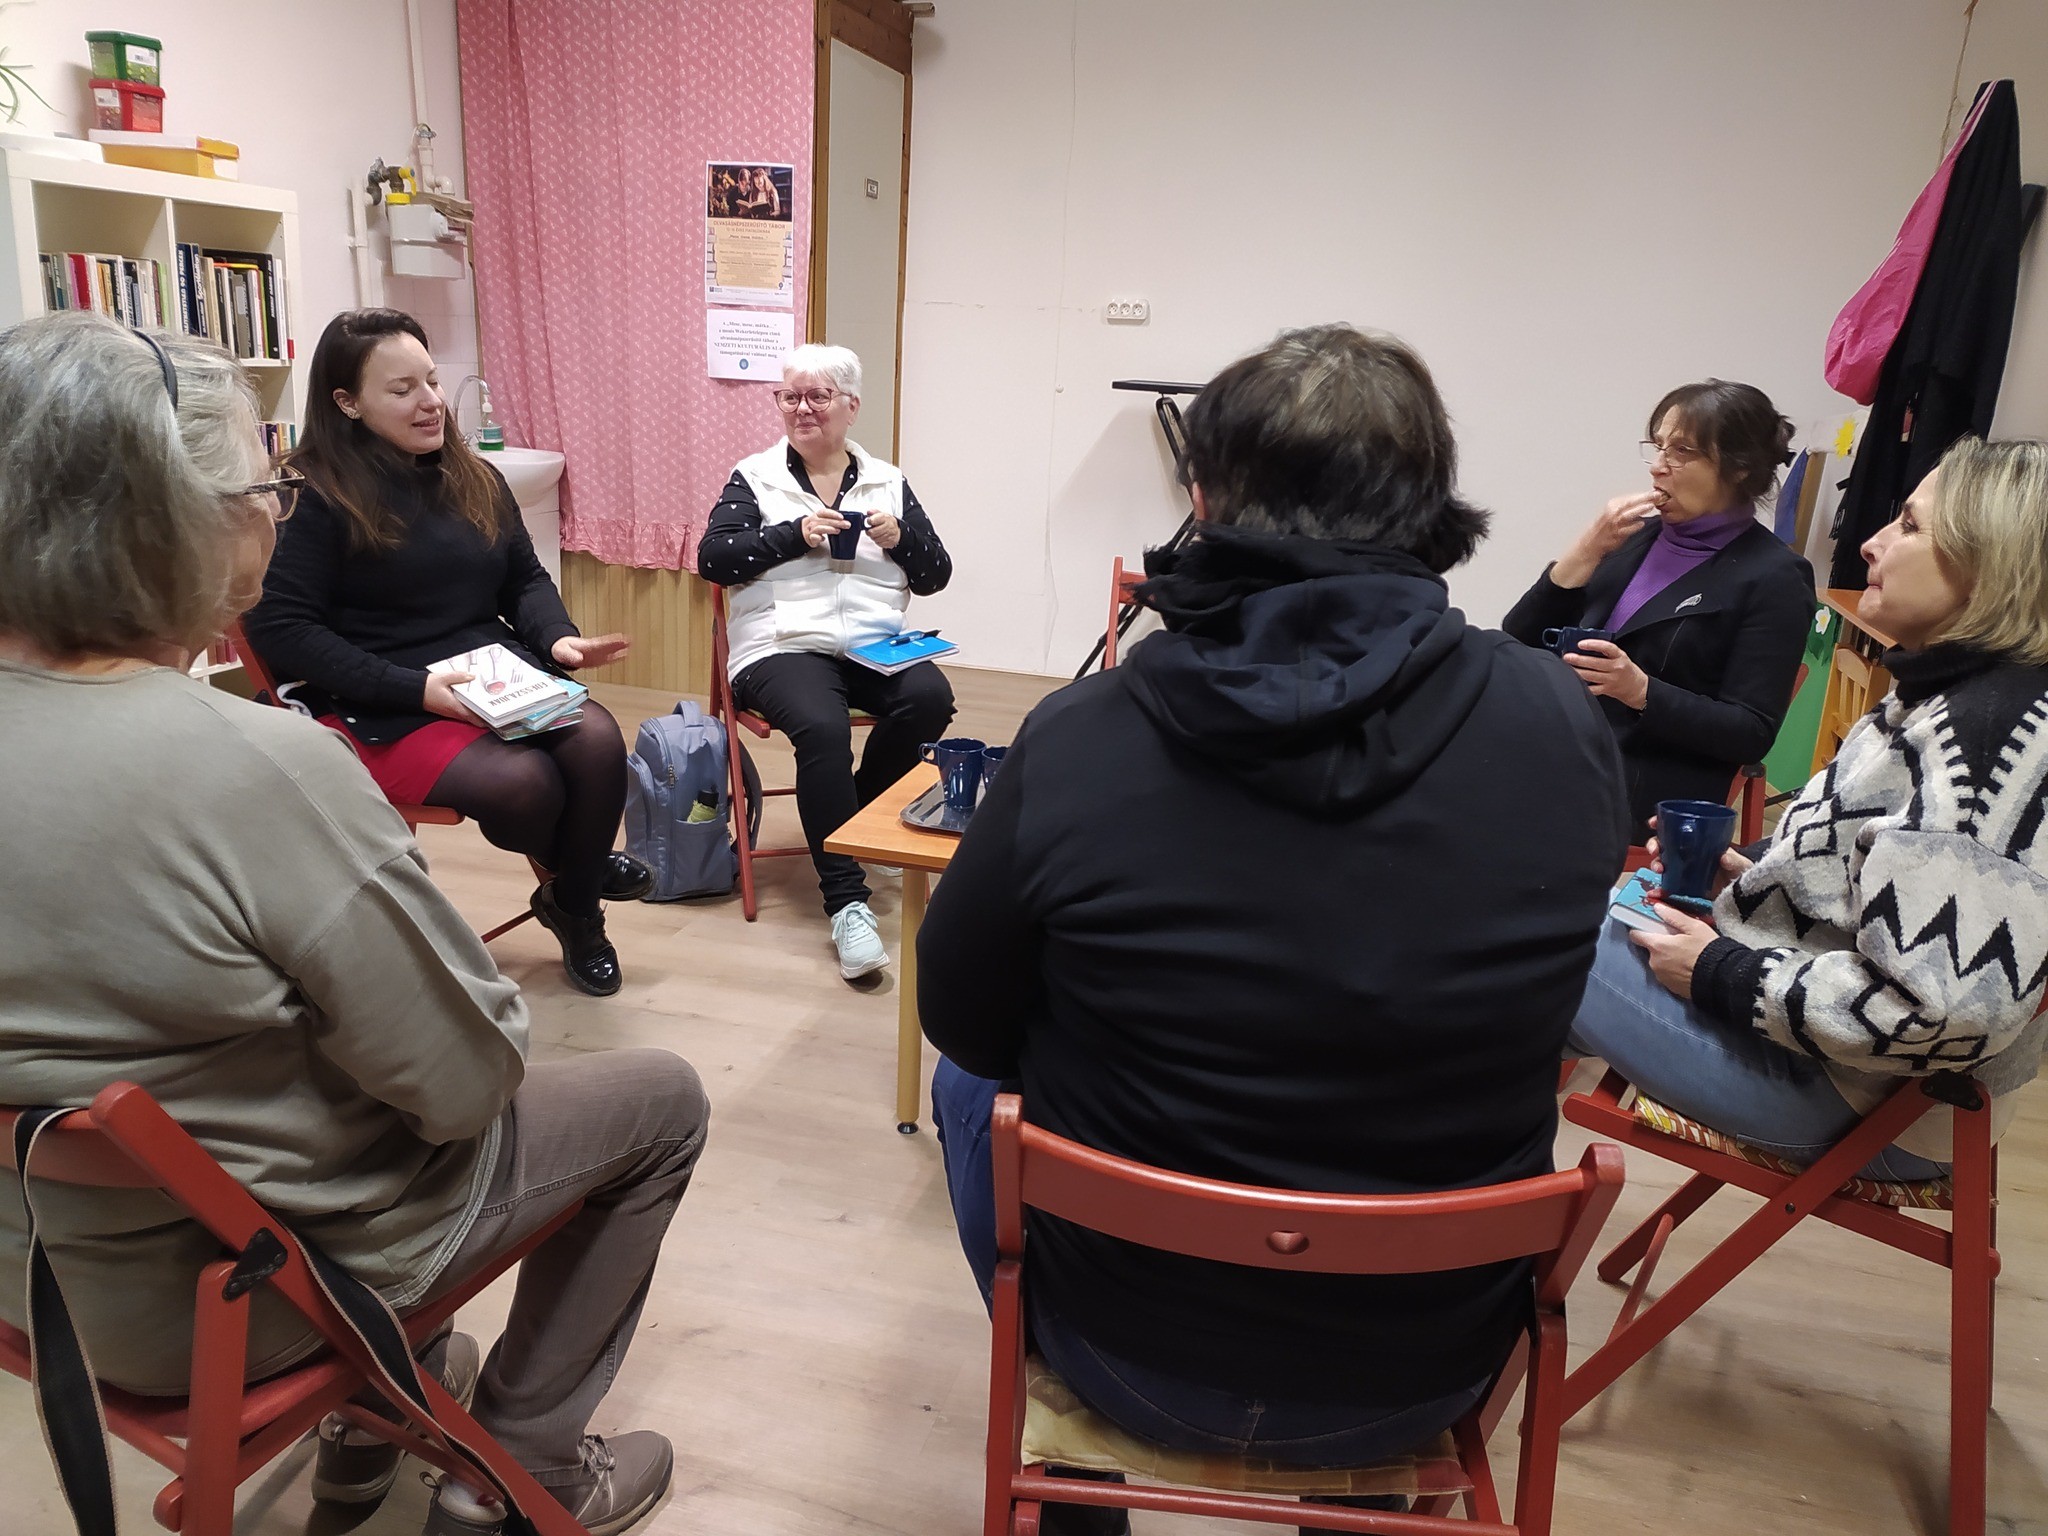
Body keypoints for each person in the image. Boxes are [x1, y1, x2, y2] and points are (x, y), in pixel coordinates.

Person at [0, 312, 706, 1536]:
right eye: (258, 491)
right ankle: (520, 1471)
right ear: (170, 520)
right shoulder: (256, 767)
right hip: (239, 1293)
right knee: (659, 1100)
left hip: (32, 1277)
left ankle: (387, 1408)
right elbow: (468, 1083)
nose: (275, 514)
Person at [917, 325, 1630, 1535]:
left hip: (1120, 1347)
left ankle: (1078, 1502)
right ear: (1429, 508)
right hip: (1423, 1363)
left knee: (966, 1084)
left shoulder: (1082, 733)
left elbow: (966, 1020)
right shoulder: (1558, 724)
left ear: (1201, 500)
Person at [1569, 436, 2048, 1180]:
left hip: (1867, 1107)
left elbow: (1940, 1015)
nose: (1871, 542)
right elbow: (1879, 885)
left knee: (1531, 934)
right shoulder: (1945, 695)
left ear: (1991, 565)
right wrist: (1750, 875)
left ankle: (1456, 1193)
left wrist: (1720, 971)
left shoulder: (1987, 738)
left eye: (1910, 527)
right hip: (1842, 1064)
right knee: (1544, 946)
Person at [244, 308, 647, 998]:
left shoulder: (472, 476)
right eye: (402, 390)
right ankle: (583, 872)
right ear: (348, 403)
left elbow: (524, 580)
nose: (431, 401)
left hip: (488, 670)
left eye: (431, 380)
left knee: (599, 743)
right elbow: (281, 629)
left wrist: (556, 637)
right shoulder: (314, 496)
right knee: (525, 786)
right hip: (377, 694)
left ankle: (574, 901)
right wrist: (414, 690)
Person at [698, 343, 955, 979]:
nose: (802, 409)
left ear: (851, 406)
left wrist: (903, 538)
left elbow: (935, 575)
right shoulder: (755, 476)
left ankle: (857, 815)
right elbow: (714, 559)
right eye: (790, 396)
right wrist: (795, 534)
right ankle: (846, 903)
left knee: (930, 698)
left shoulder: (887, 479)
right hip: (782, 643)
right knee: (821, 725)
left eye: (817, 396)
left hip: (873, 640)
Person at [1503, 380, 1814, 828]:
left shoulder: (1775, 577)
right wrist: (1584, 551)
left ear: (1740, 468)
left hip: (1642, 793)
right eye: (1658, 447)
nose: (1658, 468)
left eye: (1682, 451)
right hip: (1563, 751)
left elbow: (1750, 733)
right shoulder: (1633, 537)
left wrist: (1640, 691)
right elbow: (1518, 638)